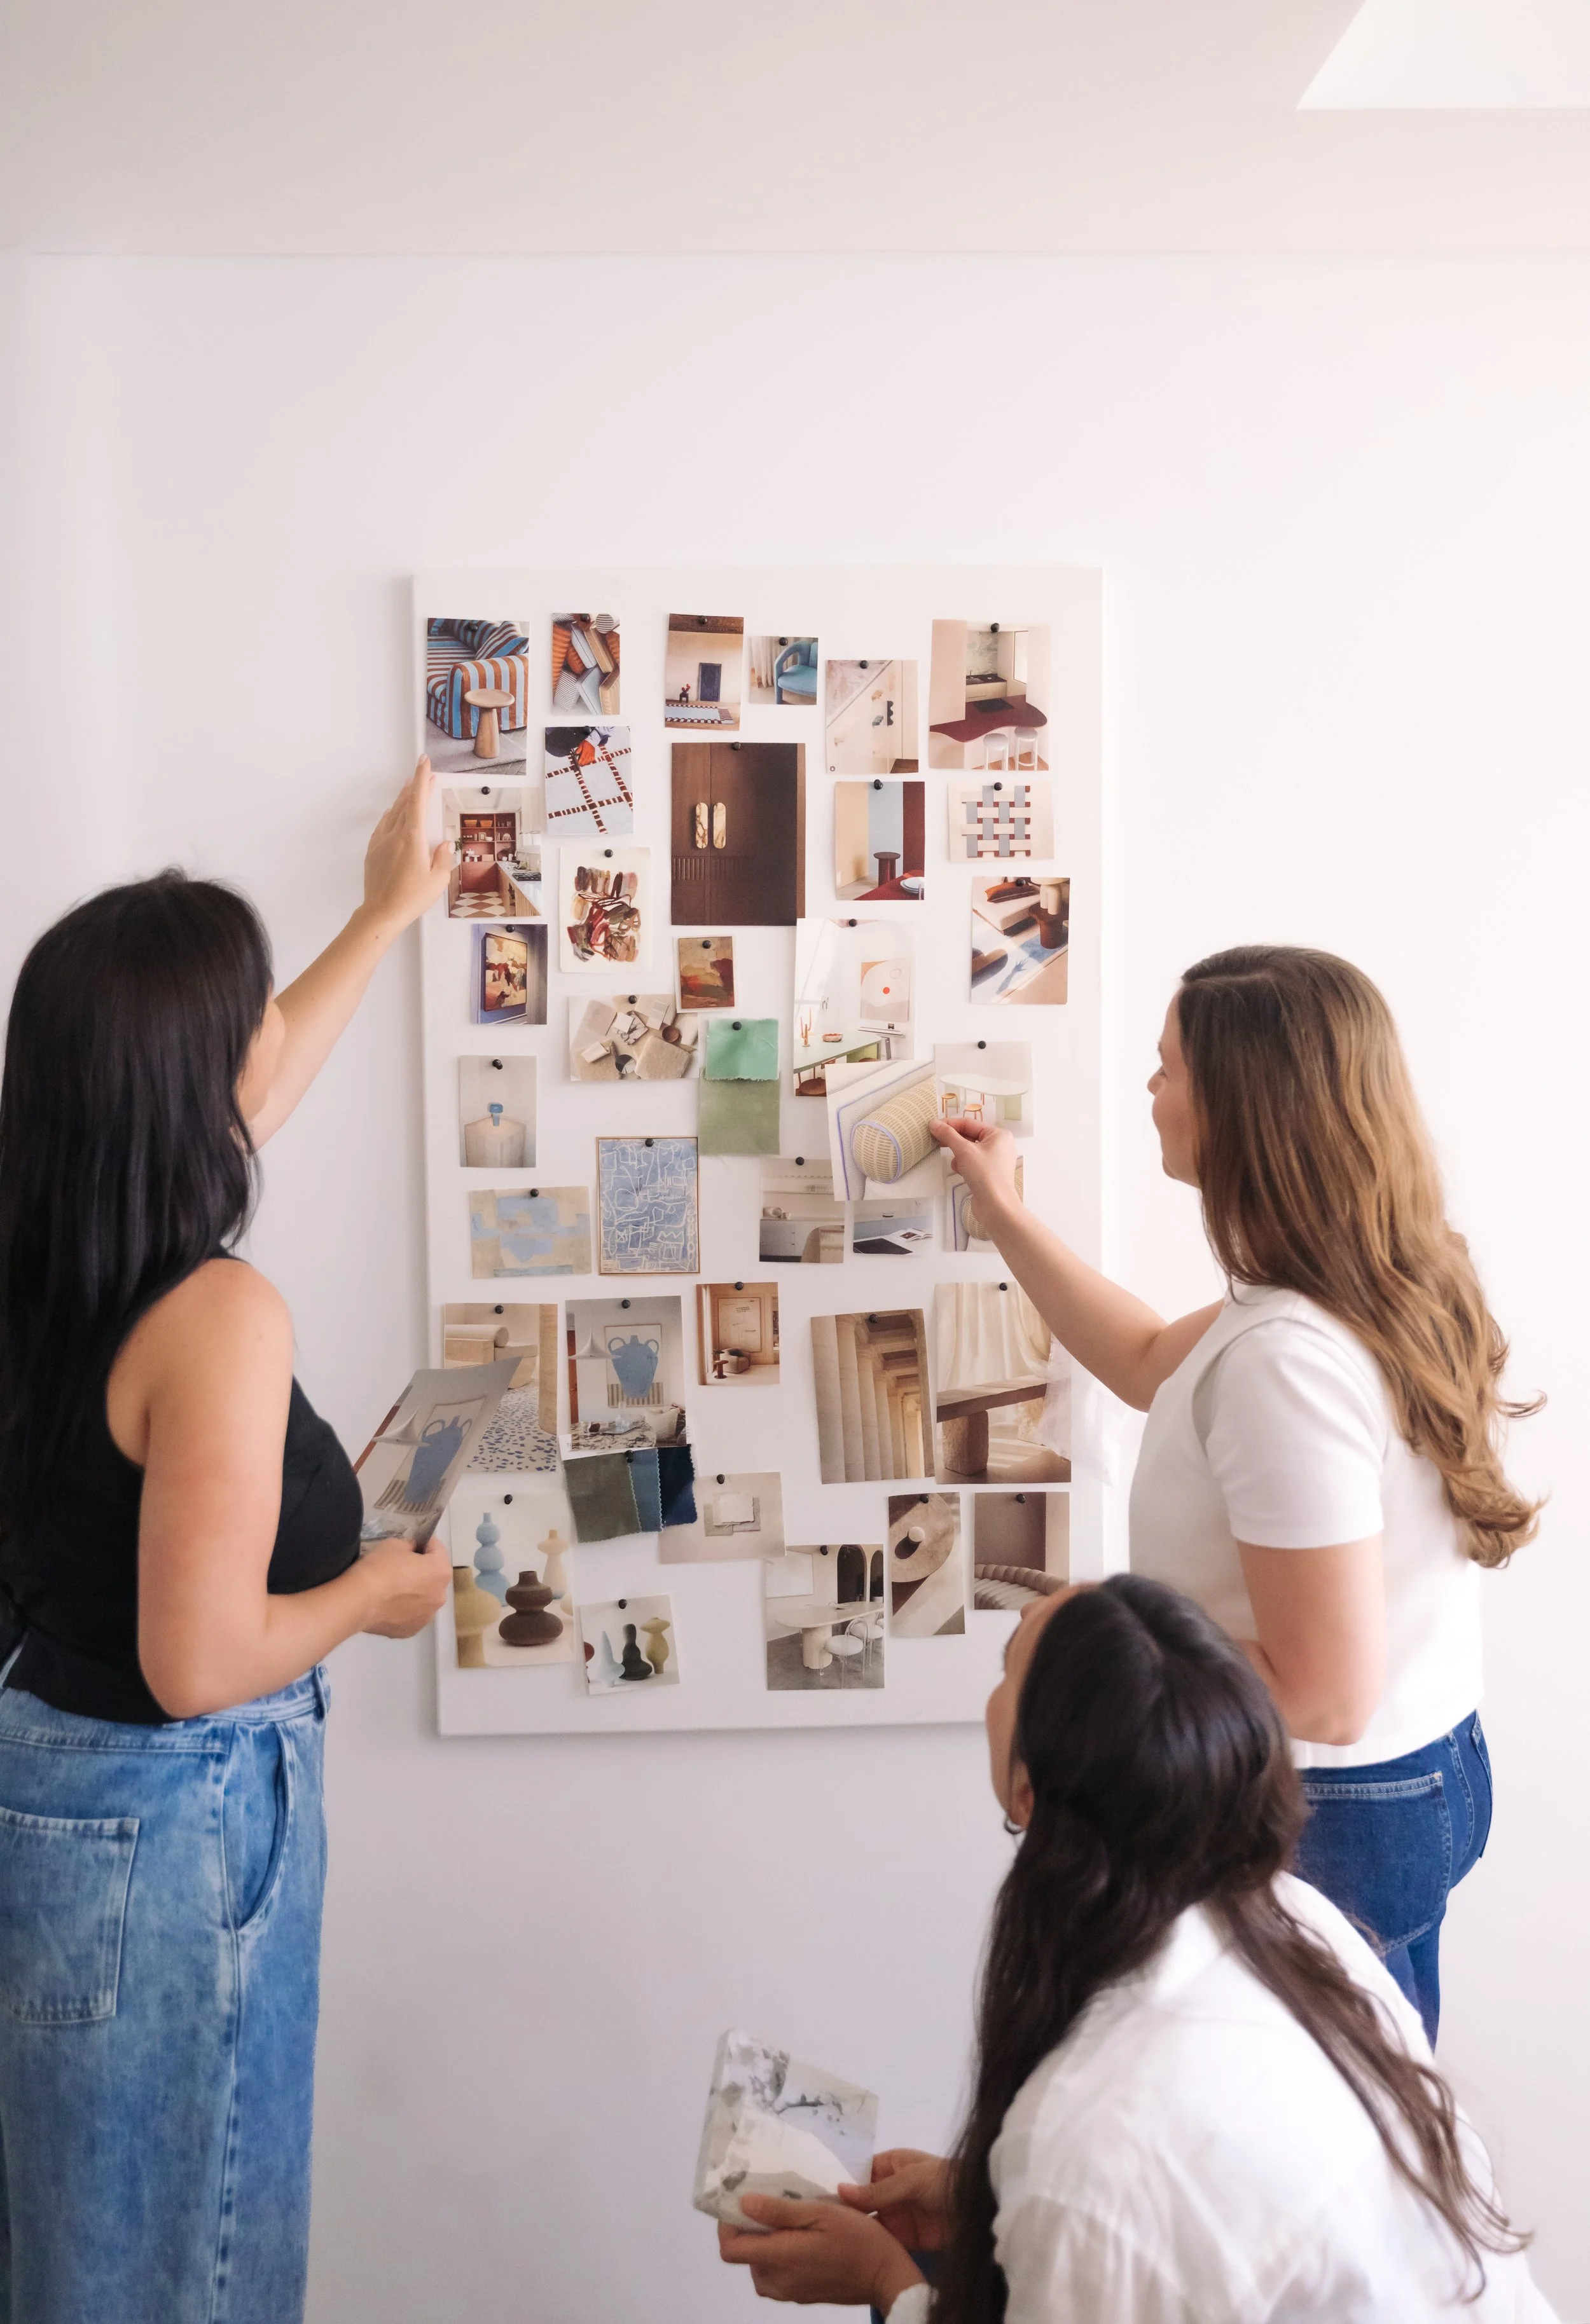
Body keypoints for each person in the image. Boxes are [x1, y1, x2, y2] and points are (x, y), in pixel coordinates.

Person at [0, 762, 453, 2323]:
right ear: (179, 1087)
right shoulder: (217, 1318)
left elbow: (243, 1093)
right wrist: (367, 1597)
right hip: (175, 1823)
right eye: (247, 1019)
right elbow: (196, 1664)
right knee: (192, 2263)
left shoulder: (49, 1245)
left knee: (77, 2253)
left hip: (50, 1793)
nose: (271, 1047)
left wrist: (385, 912)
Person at [929, 945, 1540, 2040]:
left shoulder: (1286, 1360)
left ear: (1243, 1106)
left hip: (1326, 1814)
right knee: (1368, 2139)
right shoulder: (1366, 1272)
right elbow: (1150, 1354)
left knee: (1316, 2174)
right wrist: (1004, 1212)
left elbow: (1322, 1690)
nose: (1150, 1090)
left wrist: (1080, 1633)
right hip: (1413, 1773)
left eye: (1168, 1068)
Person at [718, 1576, 1556, 2323]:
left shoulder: (1090, 2146)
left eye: (1008, 1667)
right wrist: (985, 2198)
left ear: (1029, 1788)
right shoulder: (1296, 1922)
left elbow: (1125, 2178)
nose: (996, 1686)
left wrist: (890, 2285)